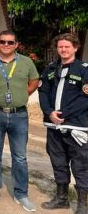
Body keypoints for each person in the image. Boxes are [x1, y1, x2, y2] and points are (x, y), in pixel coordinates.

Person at [0, 30, 39, 212]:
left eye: (10, 42)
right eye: (3, 42)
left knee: (20, 157)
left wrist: (22, 94)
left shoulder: (26, 62)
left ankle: (21, 193)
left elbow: (34, 81)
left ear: (16, 44)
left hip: (19, 115)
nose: (6, 45)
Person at [38, 33, 88, 214]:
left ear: (75, 47)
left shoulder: (84, 69)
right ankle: (61, 199)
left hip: (76, 128)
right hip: (54, 126)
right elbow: (43, 93)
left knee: (80, 166)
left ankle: (82, 204)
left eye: (67, 46)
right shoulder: (50, 69)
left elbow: (85, 98)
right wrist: (49, 112)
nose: (63, 49)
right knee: (58, 163)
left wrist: (63, 114)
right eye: (60, 46)